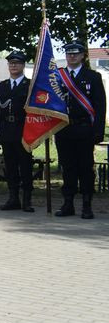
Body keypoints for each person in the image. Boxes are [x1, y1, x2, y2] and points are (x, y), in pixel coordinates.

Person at [54, 42, 106, 219]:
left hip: (84, 129)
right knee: (67, 167)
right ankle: (68, 203)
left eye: (75, 54)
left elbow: (100, 105)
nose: (72, 57)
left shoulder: (93, 76)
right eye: (69, 54)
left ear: (83, 55)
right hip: (63, 128)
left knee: (85, 167)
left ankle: (86, 204)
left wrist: (98, 130)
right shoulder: (57, 77)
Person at [0, 51, 34, 213]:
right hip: (7, 130)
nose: (13, 66)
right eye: (11, 63)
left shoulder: (30, 85)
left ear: (23, 65)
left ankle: (27, 200)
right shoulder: (2, 86)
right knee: (10, 166)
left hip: (24, 130)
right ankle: (13, 198)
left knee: (25, 166)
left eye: (17, 63)